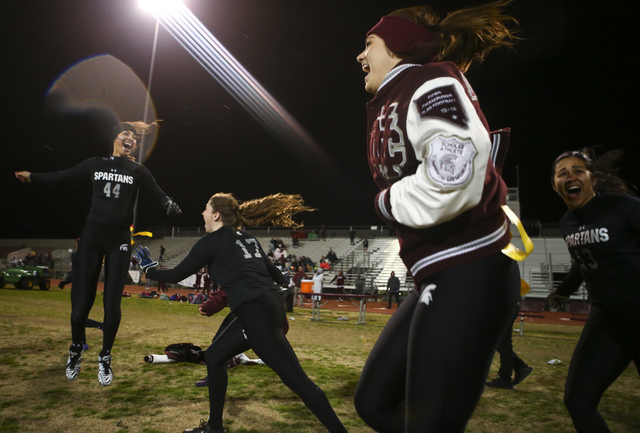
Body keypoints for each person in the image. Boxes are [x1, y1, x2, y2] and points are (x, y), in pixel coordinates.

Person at [352, 3, 521, 432]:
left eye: (369, 43)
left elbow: (454, 177)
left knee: (429, 424)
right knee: (374, 403)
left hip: (470, 266)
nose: (360, 55)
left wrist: (386, 202)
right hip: (440, 271)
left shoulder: (430, 82)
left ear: (398, 46)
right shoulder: (402, 90)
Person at [134, 193, 346, 433]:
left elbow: (176, 275)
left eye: (205, 209)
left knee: (299, 382)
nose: (202, 214)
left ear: (216, 214)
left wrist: (149, 269)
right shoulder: (248, 238)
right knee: (214, 356)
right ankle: (215, 428)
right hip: (264, 307)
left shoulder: (211, 241)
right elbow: (275, 274)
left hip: (257, 313)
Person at [15, 120, 182, 386]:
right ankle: (75, 350)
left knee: (112, 304)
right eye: (124, 133)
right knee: (81, 303)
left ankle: (105, 357)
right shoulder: (95, 164)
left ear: (134, 146)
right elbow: (62, 175)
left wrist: (168, 203)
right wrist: (31, 176)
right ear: (115, 139)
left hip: (119, 240)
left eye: (133, 137)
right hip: (92, 236)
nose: (129, 138)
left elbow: (158, 193)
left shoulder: (138, 170)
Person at [547, 147, 640, 433]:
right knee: (578, 401)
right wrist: (562, 292)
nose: (570, 177)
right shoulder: (566, 223)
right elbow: (582, 262)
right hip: (606, 323)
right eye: (563, 173)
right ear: (555, 184)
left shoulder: (623, 207)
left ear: (593, 179)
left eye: (578, 171)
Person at [485, 299, 533, 389]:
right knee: (497, 342)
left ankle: (505, 378)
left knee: (502, 343)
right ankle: (519, 367)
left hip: (502, 307)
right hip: (505, 306)